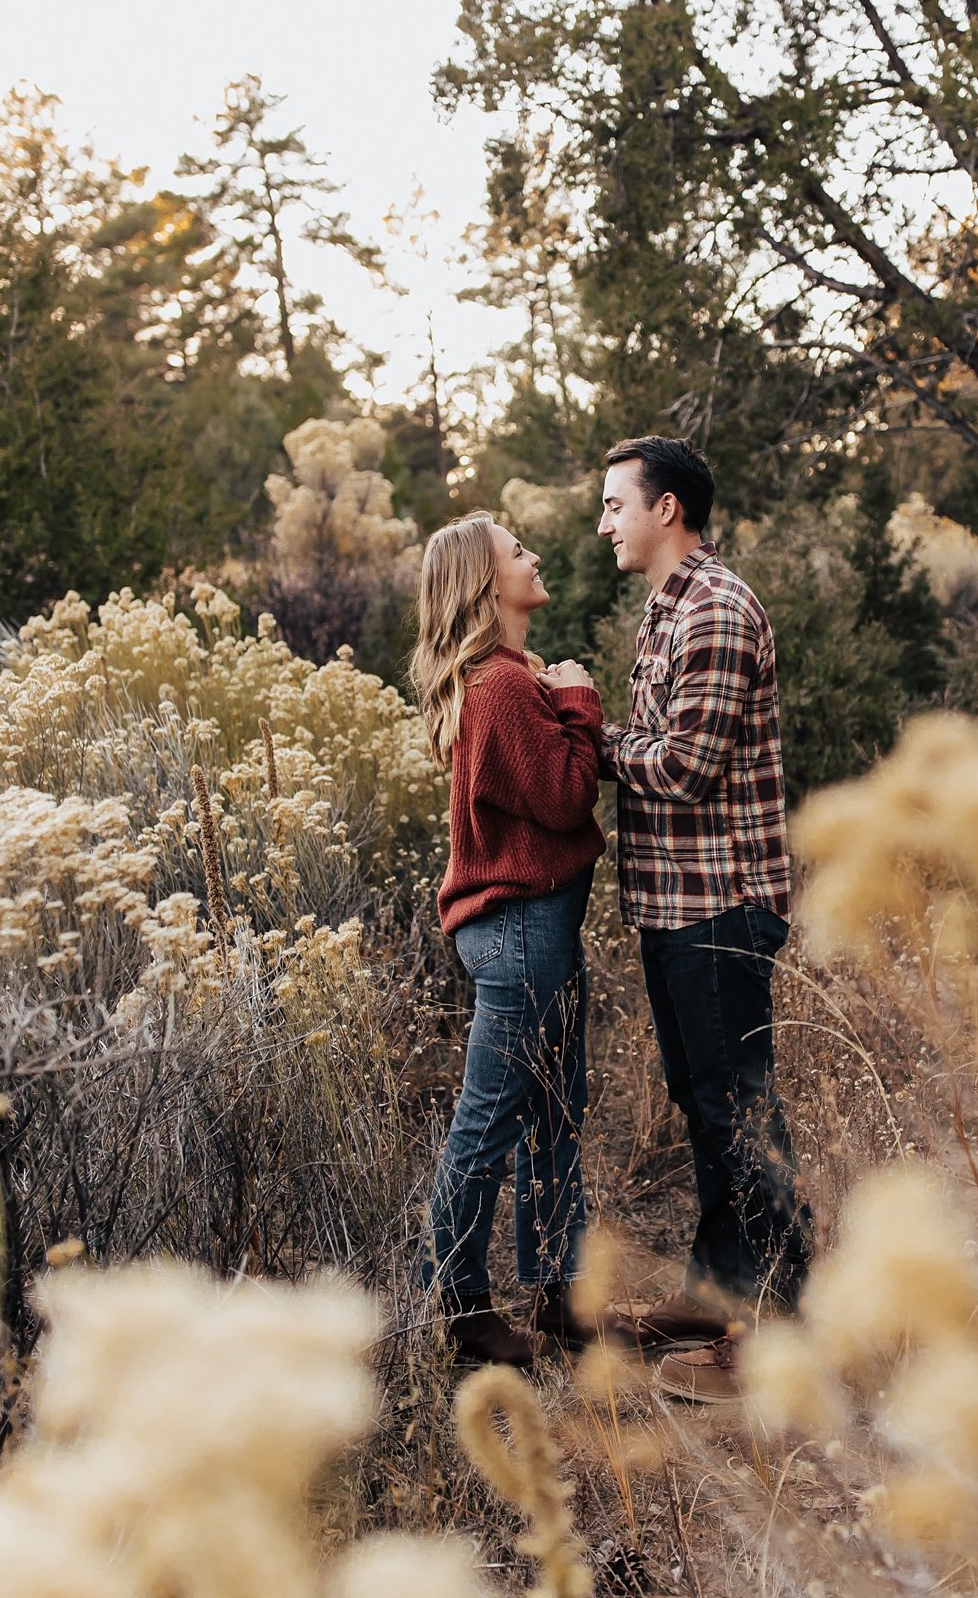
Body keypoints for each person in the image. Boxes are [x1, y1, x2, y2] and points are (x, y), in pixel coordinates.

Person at [597, 436, 814, 1401]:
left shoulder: (717, 611)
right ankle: (718, 1292)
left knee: (740, 1114)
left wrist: (580, 736)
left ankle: (771, 1335)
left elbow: (682, 768)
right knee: (707, 1105)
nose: (604, 523)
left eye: (616, 505)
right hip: (676, 900)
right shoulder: (668, 608)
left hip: (720, 901)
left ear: (667, 510)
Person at [410, 509, 605, 1368]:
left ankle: (560, 1299)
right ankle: (459, 1309)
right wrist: (581, 700)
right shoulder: (499, 684)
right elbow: (565, 798)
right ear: (487, 585)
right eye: (516, 551)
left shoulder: (504, 675)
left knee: (554, 1117)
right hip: (520, 930)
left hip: (534, 927)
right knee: (488, 1124)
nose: (534, 556)